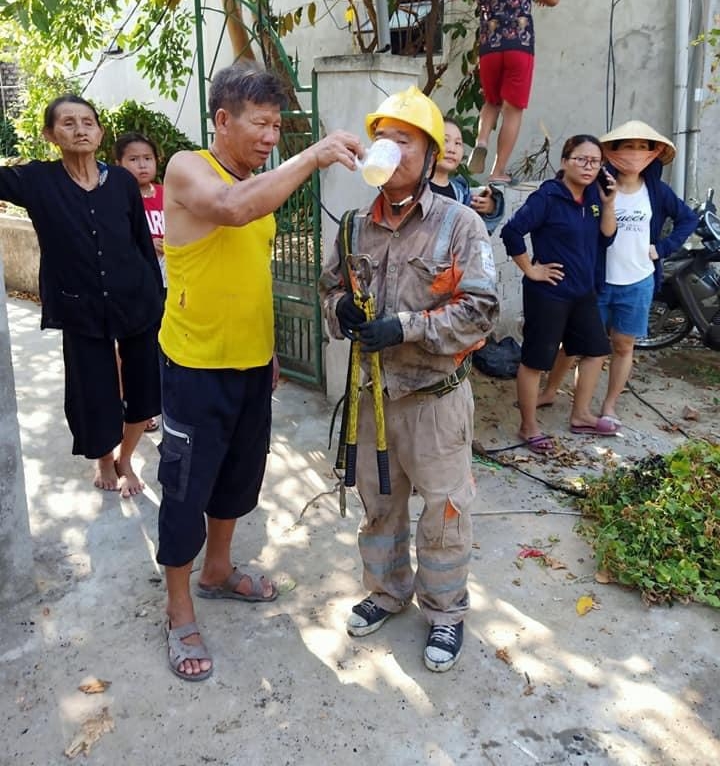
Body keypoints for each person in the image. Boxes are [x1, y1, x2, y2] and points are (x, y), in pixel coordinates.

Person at [157, 61, 363, 683]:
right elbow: (231, 211)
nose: (272, 137)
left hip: (250, 363)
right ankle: (178, 606)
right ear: (222, 120)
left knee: (238, 480)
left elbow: (249, 270)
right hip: (195, 366)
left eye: (278, 126)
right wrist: (315, 156)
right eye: (261, 124)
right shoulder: (188, 168)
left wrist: (270, 347)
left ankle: (217, 571)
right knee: (185, 489)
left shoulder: (259, 183)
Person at [319, 85, 499, 673]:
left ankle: (445, 613)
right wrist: (339, 309)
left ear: (426, 156)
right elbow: (331, 289)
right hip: (372, 398)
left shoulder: (460, 225)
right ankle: (387, 592)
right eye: (383, 139)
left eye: (404, 140)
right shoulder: (353, 228)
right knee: (380, 504)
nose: (390, 150)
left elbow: (482, 309)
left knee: (445, 511)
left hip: (435, 400)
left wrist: (409, 328)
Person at [0, 95, 163, 497]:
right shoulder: (37, 180)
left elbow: (141, 242)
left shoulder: (123, 181)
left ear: (100, 132)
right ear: (50, 134)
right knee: (94, 393)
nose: (80, 129)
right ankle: (105, 459)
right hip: (79, 305)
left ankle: (127, 456)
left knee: (145, 389)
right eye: (68, 123)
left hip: (135, 300)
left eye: (88, 122)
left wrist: (154, 297)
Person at [536, 121, 698, 424]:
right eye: (627, 146)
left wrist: (662, 248)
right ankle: (549, 391)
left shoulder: (657, 192)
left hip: (637, 283)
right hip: (596, 280)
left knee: (623, 346)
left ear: (653, 153)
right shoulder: (596, 187)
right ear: (612, 151)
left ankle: (609, 405)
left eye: (642, 147)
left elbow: (688, 219)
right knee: (573, 343)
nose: (634, 154)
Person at [500, 135, 617, 453]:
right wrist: (531, 269)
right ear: (565, 161)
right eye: (581, 159)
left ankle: (580, 415)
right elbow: (511, 232)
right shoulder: (548, 197)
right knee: (536, 361)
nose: (588, 167)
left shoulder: (595, 196)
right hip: (548, 294)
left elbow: (607, 237)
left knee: (596, 350)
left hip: (583, 291)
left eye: (595, 161)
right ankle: (528, 426)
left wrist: (609, 203)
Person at [433, 0, 559, 183]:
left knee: (491, 102)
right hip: (519, 48)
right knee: (513, 111)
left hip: (490, 49)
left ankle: (481, 140)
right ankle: (497, 170)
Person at [115, 131, 166, 432]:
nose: (142, 165)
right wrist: (148, 243)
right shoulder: (118, 198)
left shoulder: (165, 193)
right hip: (133, 286)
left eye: (147, 158)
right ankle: (133, 402)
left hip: (168, 281)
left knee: (162, 345)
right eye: (133, 159)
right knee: (134, 349)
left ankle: (155, 400)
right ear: (119, 163)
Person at [430, 117, 505, 233]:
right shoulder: (414, 187)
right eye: (445, 140)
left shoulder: (461, 193)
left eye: (458, 143)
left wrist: (490, 208)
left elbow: (476, 231)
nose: (452, 149)